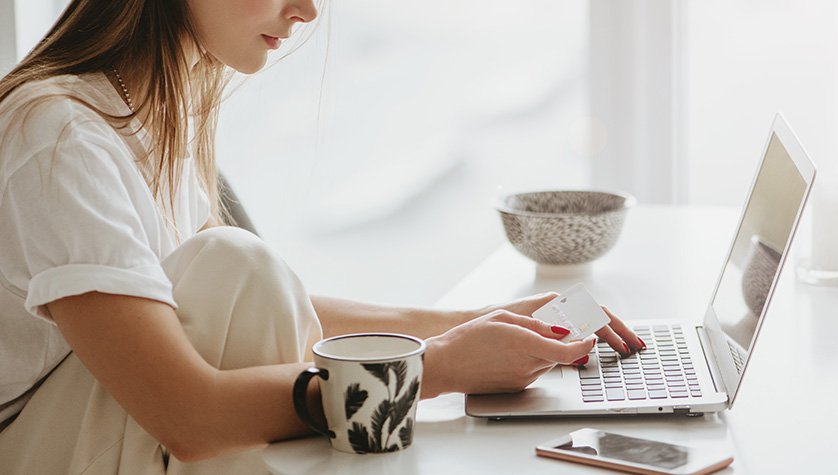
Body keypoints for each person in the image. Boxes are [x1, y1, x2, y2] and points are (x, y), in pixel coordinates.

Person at [0, 0, 645, 473]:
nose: (306, 11)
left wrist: (474, 324)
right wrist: (434, 369)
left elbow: (277, 308)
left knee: (241, 272)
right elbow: (188, 418)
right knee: (234, 262)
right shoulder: (59, 137)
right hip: (30, 448)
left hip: (95, 428)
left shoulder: (156, 114)